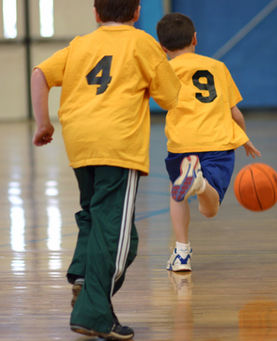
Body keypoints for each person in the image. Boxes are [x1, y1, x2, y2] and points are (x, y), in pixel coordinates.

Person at [31, 0, 181, 339]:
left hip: (80, 141)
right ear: (138, 12)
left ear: (96, 14)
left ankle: (83, 276)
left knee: (99, 216)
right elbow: (171, 97)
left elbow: (39, 73)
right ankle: (94, 312)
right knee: (117, 238)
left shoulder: (80, 43)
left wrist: (43, 123)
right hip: (118, 144)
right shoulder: (142, 43)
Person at [156, 13, 261, 272]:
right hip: (217, 142)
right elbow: (235, 112)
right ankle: (200, 182)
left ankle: (181, 253)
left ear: (163, 48)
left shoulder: (164, 70)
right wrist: (244, 138)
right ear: (195, 39)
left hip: (182, 143)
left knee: (176, 194)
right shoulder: (217, 67)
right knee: (209, 210)